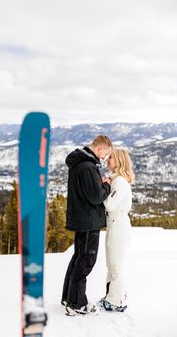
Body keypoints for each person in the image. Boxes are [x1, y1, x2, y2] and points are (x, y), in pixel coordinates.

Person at [61, 135, 113, 316]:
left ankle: (68, 298)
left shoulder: (80, 163)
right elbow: (96, 196)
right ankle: (77, 303)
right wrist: (106, 185)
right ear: (99, 149)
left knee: (78, 258)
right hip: (88, 220)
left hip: (81, 218)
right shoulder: (88, 167)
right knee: (86, 260)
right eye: (106, 154)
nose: (105, 158)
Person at [98, 149, 135, 312]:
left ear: (119, 160)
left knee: (115, 264)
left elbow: (110, 204)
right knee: (112, 263)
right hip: (114, 223)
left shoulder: (119, 182)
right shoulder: (116, 179)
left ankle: (117, 301)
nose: (107, 160)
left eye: (111, 157)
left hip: (118, 224)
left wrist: (104, 185)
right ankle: (111, 297)